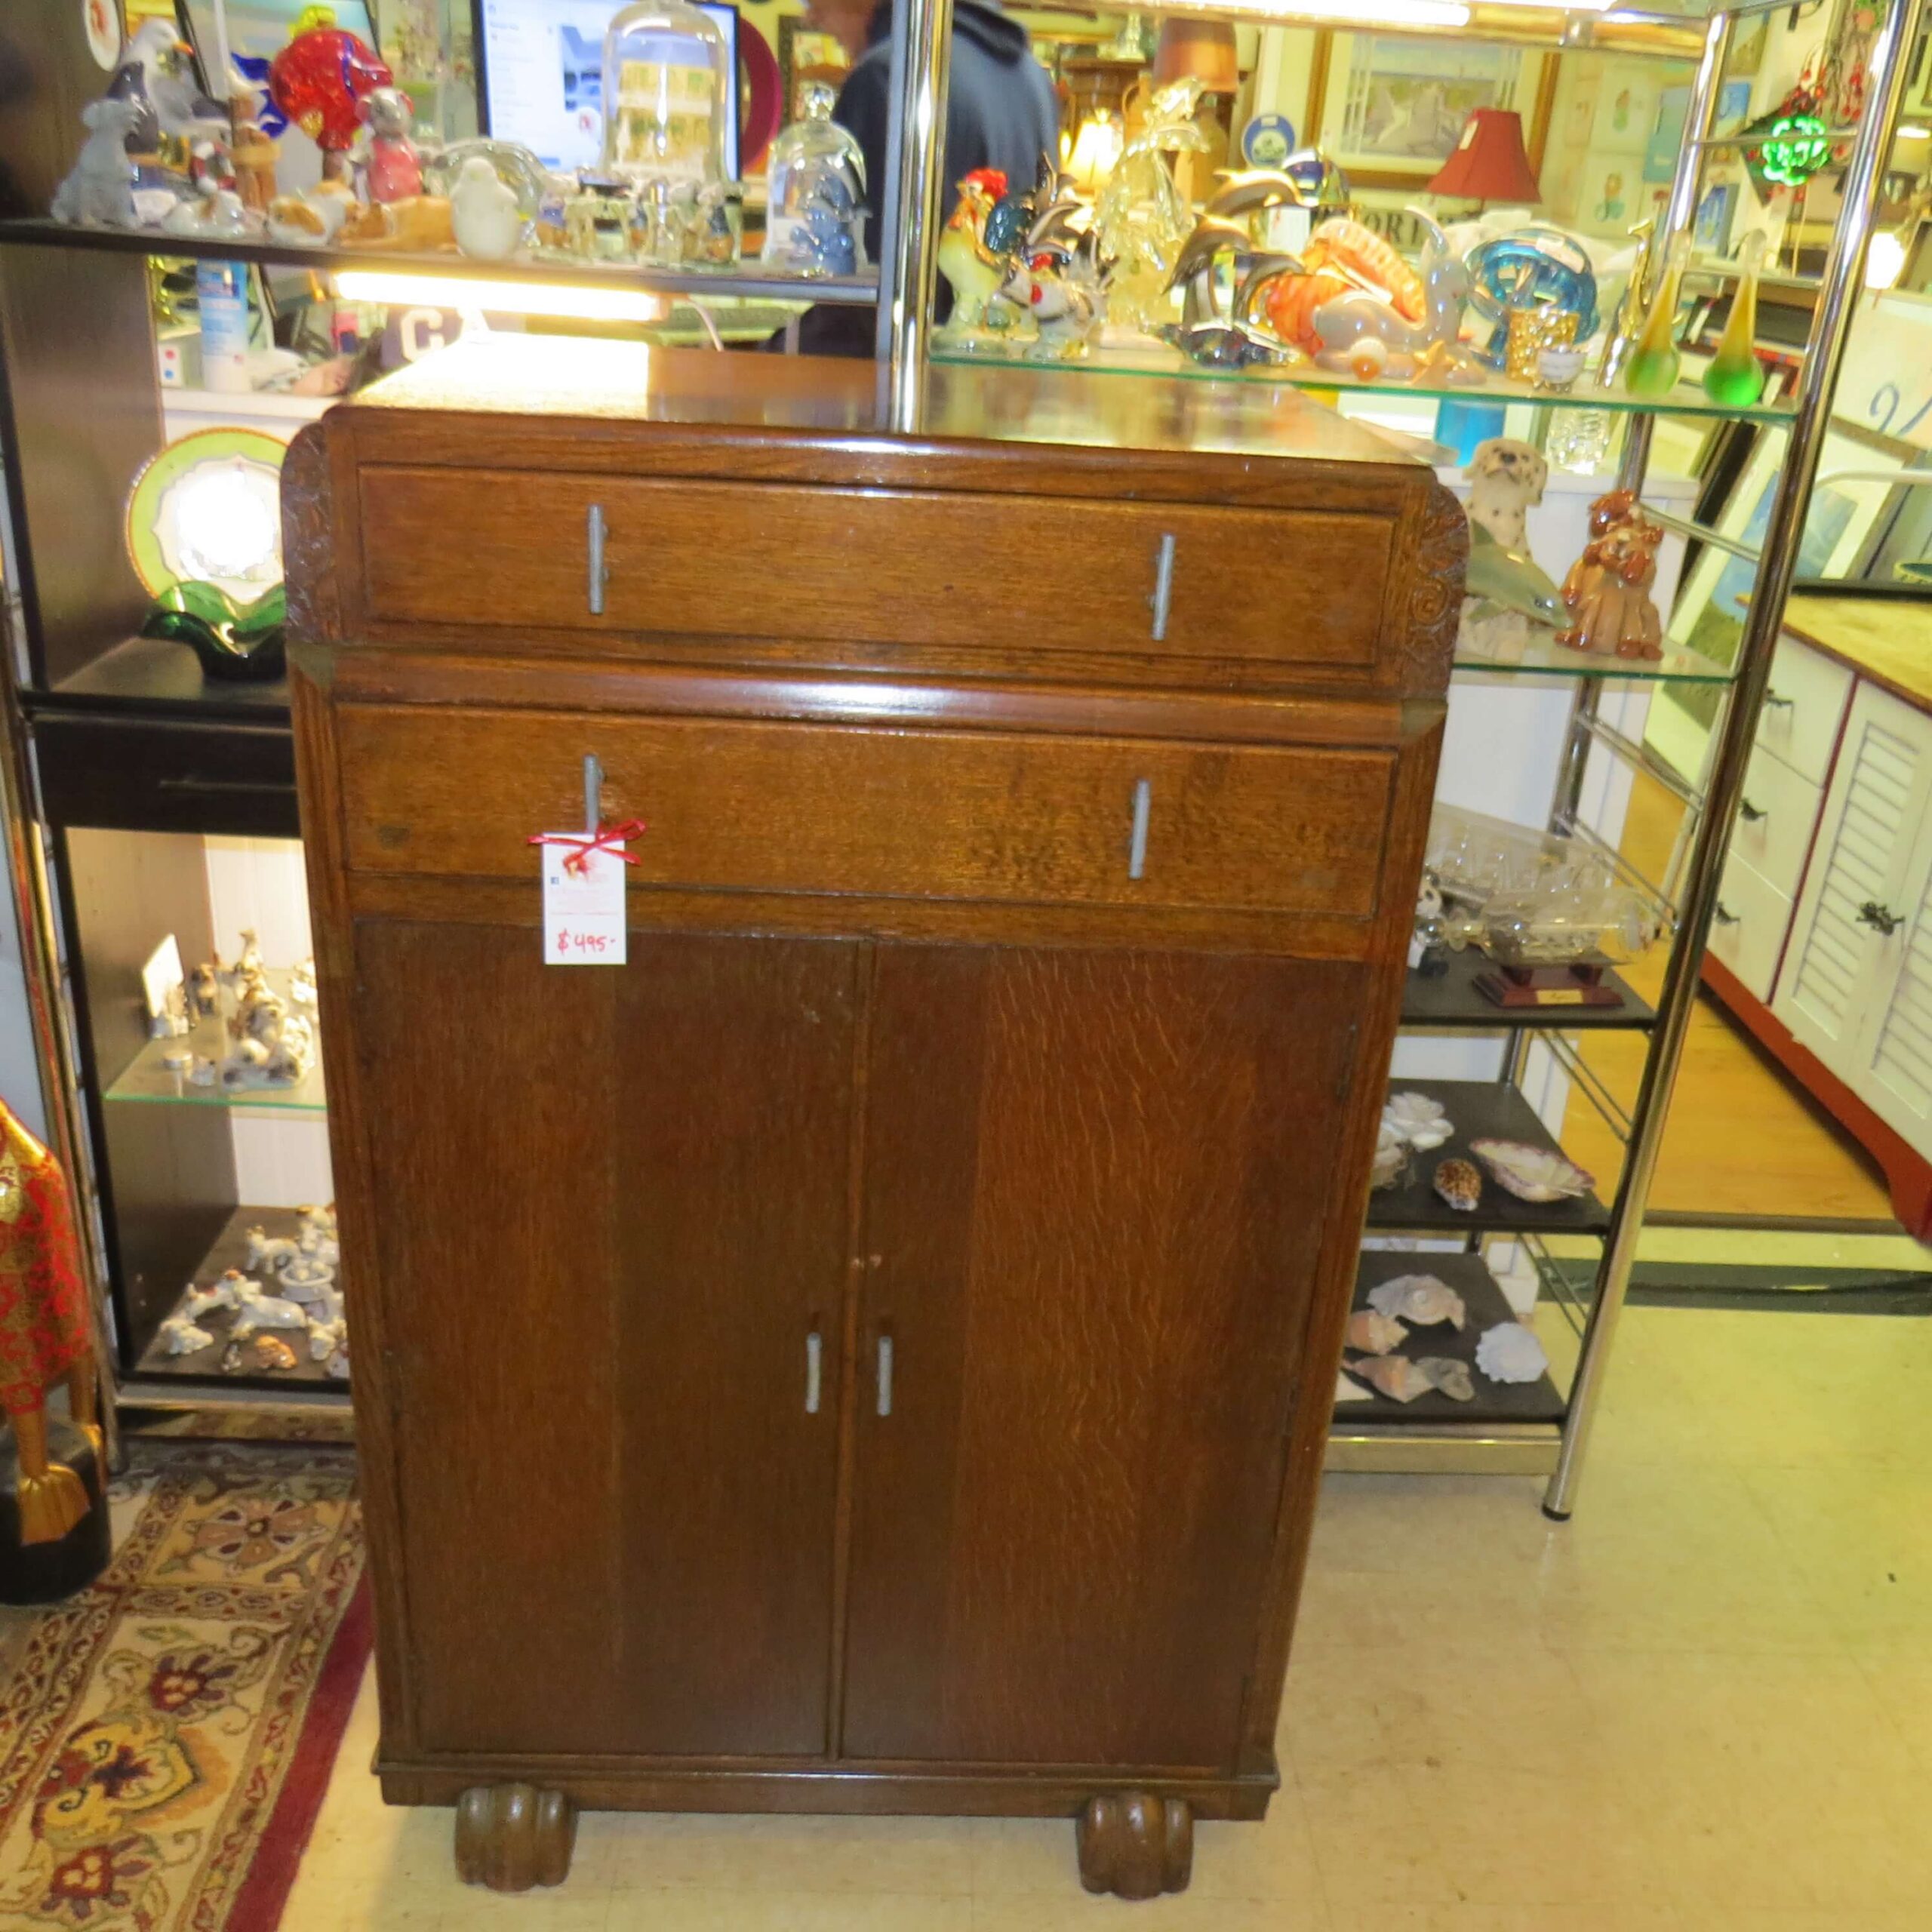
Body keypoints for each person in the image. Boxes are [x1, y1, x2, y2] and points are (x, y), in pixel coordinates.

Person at [780, 0, 1059, 354]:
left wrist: (767, 354)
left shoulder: (890, 76)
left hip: (909, 373)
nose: (811, 15)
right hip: (1000, 372)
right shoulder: (1032, 79)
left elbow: (864, 308)